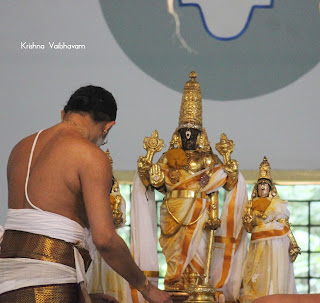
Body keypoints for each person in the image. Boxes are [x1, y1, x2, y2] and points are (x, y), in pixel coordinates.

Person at [0, 85, 172, 303]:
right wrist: (148, 289)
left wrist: (81, 296)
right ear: (108, 127)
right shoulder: (90, 155)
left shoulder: (21, 148)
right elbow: (105, 239)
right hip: (48, 283)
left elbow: (34, 228)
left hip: (5, 277)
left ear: (64, 114)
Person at [136, 72, 248, 301]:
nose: (189, 137)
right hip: (173, 212)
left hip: (200, 212)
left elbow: (226, 181)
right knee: (174, 253)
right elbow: (154, 181)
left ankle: (198, 283)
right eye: (185, 133)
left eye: (193, 133)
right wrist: (151, 168)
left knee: (199, 250)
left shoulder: (208, 158)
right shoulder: (168, 157)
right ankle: (174, 282)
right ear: (178, 135)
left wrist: (227, 169)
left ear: (200, 135)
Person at [241, 157, 300, 303]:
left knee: (274, 273)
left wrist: (293, 243)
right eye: (260, 184)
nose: (262, 187)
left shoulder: (277, 205)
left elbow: (285, 225)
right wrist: (247, 221)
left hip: (276, 245)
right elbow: (248, 228)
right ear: (256, 188)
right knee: (256, 273)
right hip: (257, 244)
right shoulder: (250, 206)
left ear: (270, 188)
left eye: (265, 185)